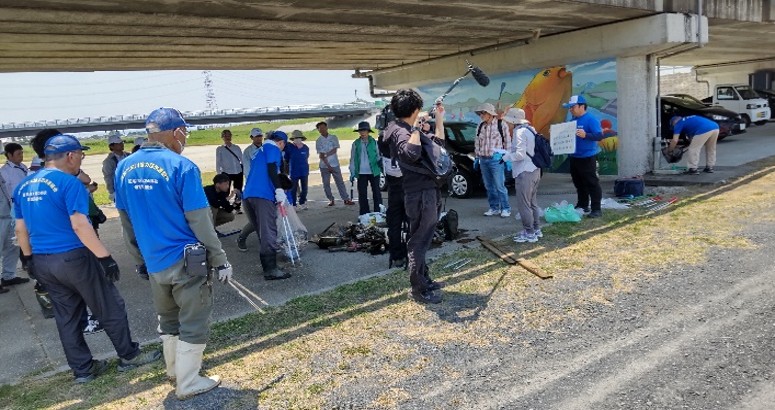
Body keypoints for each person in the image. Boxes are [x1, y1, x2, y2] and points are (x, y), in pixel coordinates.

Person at [15, 133, 161, 384]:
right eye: (81, 155)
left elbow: (20, 229)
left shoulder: (24, 186)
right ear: (70, 156)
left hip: (43, 261)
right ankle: (129, 356)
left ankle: (83, 370)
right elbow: (80, 225)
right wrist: (105, 257)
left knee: (67, 316)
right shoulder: (69, 183)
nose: (81, 159)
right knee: (109, 306)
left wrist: (27, 259)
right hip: (74, 257)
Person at [115, 107, 232, 399]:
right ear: (176, 132)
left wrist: (140, 260)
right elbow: (200, 220)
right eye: (185, 132)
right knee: (194, 320)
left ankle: (174, 370)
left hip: (155, 262)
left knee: (167, 319)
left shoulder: (124, 167)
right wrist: (220, 259)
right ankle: (189, 382)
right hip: (185, 261)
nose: (186, 138)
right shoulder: (181, 166)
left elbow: (126, 221)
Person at [384, 89, 446, 304]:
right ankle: (418, 288)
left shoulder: (408, 129)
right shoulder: (399, 131)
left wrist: (439, 118)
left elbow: (439, 147)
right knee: (418, 241)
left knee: (425, 237)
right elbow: (411, 154)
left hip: (429, 191)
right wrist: (417, 129)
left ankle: (425, 279)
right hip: (418, 195)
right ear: (415, 109)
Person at [243, 130, 292, 280]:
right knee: (269, 232)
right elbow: (272, 168)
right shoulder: (273, 149)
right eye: (284, 145)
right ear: (281, 142)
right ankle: (271, 270)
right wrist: (278, 190)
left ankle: (270, 266)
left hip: (249, 195)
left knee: (262, 232)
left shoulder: (260, 151)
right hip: (262, 195)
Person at [503, 108, 543, 243]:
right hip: (535, 170)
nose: (507, 124)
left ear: (513, 121)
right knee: (533, 203)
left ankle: (529, 232)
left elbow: (520, 154)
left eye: (508, 121)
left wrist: (506, 157)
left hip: (524, 172)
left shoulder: (519, 132)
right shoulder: (531, 129)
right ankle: (536, 229)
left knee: (524, 205)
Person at [563, 95, 605, 218]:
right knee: (579, 183)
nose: (570, 109)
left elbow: (599, 136)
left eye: (573, 107)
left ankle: (596, 209)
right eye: (569, 107)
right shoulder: (572, 121)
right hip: (574, 156)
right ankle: (582, 204)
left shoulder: (590, 119)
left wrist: (586, 135)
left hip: (587, 157)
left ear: (582, 106)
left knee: (592, 183)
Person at [0, 143, 31, 288]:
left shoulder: (23, 168)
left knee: (12, 246)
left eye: (22, 153)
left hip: (15, 214)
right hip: (4, 215)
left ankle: (8, 275)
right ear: (9, 155)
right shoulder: (4, 172)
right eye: (18, 154)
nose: (21, 156)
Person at [474, 102, 512, 218]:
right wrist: (477, 157)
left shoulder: (501, 125)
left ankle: (506, 208)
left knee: (499, 185)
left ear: (490, 114)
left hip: (496, 160)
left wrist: (507, 157)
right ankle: (494, 208)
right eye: (480, 113)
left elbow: (507, 141)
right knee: (489, 186)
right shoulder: (480, 126)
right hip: (483, 159)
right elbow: (477, 142)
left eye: (483, 113)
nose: (481, 115)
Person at [377, 128, 407, 269]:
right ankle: (411, 253)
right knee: (412, 224)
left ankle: (397, 256)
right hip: (406, 190)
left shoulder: (384, 153)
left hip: (393, 192)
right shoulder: (403, 151)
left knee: (394, 226)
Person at [236, 127, 264, 252]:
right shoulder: (247, 152)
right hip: (253, 189)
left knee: (266, 218)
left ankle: (265, 242)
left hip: (266, 188)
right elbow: (247, 172)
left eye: (260, 136)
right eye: (256, 136)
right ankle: (241, 238)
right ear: (251, 138)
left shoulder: (266, 149)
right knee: (255, 221)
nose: (258, 138)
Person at [315, 121, 354, 206]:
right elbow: (321, 155)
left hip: (335, 163)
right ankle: (331, 199)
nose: (322, 129)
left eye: (323, 127)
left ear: (326, 127)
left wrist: (326, 154)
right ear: (318, 130)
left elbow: (335, 149)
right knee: (326, 184)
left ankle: (346, 199)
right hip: (324, 165)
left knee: (340, 182)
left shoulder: (333, 137)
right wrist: (328, 165)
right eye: (320, 128)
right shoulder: (318, 141)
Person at [349, 121, 383, 215]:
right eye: (361, 131)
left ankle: (379, 212)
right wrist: (352, 171)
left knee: (376, 192)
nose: (363, 132)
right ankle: (364, 213)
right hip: (361, 172)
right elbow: (352, 158)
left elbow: (379, 156)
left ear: (368, 131)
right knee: (362, 194)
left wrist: (381, 166)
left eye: (364, 130)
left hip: (374, 171)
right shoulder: (355, 144)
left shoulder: (374, 143)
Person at [215, 129, 244, 213]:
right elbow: (218, 162)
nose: (227, 137)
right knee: (225, 191)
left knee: (238, 190)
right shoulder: (220, 149)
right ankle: (226, 207)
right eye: (225, 135)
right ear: (222, 137)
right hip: (227, 172)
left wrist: (244, 170)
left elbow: (241, 159)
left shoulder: (236, 147)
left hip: (238, 171)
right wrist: (219, 174)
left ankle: (237, 206)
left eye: (229, 135)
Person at [285, 130, 310, 209]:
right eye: (295, 138)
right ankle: (294, 204)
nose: (297, 139)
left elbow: (306, 157)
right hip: (294, 171)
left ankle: (302, 201)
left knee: (304, 188)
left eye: (299, 138)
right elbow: (286, 158)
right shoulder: (289, 148)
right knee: (293, 189)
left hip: (304, 171)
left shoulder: (306, 148)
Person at [101, 133, 129, 203]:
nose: (121, 144)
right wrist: (112, 192)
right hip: (119, 190)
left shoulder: (129, 156)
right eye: (118, 143)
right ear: (112, 146)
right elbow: (108, 177)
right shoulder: (108, 161)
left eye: (121, 142)